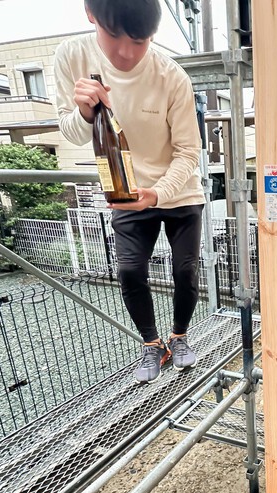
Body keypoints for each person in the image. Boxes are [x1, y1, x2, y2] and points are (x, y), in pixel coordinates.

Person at [54, 0, 204, 383]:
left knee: (185, 270)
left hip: (179, 190)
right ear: (91, 15)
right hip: (126, 191)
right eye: (113, 35)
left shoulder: (171, 76)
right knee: (129, 270)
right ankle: (152, 345)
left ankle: (180, 337)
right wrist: (85, 112)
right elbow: (70, 132)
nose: (125, 52)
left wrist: (159, 192)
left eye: (139, 41)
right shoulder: (73, 56)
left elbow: (189, 151)